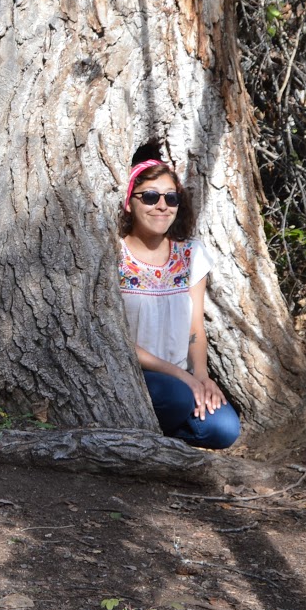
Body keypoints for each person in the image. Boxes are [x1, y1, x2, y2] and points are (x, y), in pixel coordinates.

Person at [117, 146, 241, 450]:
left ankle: (160, 439)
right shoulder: (113, 255)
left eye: (170, 198)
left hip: (180, 376)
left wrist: (200, 376)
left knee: (224, 430)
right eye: (149, 196)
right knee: (176, 397)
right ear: (129, 203)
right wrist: (180, 378)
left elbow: (195, 325)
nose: (162, 206)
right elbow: (114, 337)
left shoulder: (190, 254)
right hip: (134, 374)